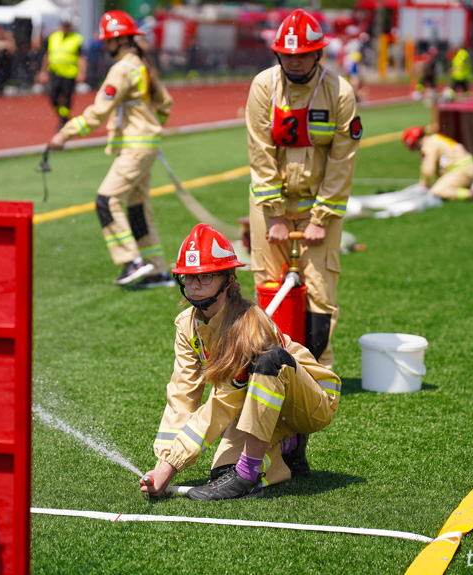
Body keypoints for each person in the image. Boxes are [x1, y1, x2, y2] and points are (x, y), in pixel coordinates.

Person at [140, 224, 341, 500]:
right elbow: (182, 394)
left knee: (269, 360)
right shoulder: (187, 325)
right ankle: (288, 447)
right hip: (259, 403)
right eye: (188, 278)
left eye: (205, 277)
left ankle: (249, 473)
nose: (194, 287)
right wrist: (162, 462)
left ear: (228, 279)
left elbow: (224, 401)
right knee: (222, 473)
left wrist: (173, 466)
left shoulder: (250, 328)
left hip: (309, 402)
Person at [246, 8, 362, 370]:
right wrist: (275, 215)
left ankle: (317, 375)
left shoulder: (339, 92)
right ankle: (270, 370)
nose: (294, 63)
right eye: (287, 55)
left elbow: (343, 160)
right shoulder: (264, 86)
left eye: (302, 55)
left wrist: (322, 218)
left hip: (319, 208)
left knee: (320, 296)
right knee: (268, 289)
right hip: (270, 207)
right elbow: (259, 152)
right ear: (278, 54)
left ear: (318, 54)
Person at [47, 10, 174, 287]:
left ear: (119, 41)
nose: (104, 46)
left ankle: (132, 261)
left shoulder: (120, 70)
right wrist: (153, 127)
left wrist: (63, 134)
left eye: (107, 41)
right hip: (146, 144)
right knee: (138, 208)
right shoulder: (141, 64)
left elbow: (96, 114)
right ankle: (156, 270)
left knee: (106, 200)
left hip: (135, 146)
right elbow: (165, 104)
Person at [401, 126, 473, 201]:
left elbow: (428, 171)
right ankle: (468, 187)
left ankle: (472, 194)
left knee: (437, 191)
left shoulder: (428, 145)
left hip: (460, 169)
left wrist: (424, 183)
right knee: (440, 185)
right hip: (467, 166)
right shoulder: (434, 138)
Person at [38, 14, 87, 129]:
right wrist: (43, 71)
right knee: (52, 96)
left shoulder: (77, 38)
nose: (65, 27)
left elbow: (81, 57)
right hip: (55, 72)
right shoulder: (53, 37)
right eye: (63, 25)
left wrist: (81, 72)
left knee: (67, 98)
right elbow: (47, 55)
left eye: (67, 25)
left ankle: (64, 120)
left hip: (69, 73)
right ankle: (63, 116)